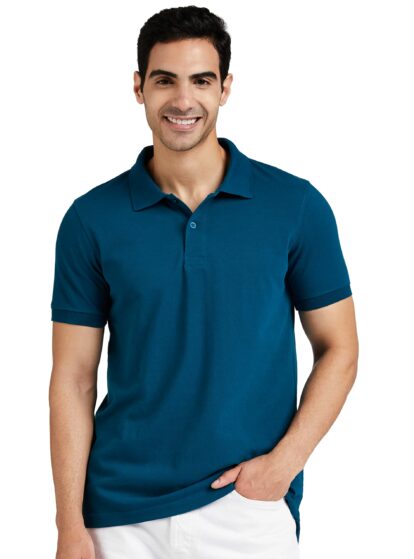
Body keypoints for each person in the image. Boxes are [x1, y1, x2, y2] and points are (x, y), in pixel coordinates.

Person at [49, 6, 359, 559]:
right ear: (139, 87)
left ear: (225, 88)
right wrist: (68, 524)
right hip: (118, 516)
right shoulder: (90, 219)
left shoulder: (295, 206)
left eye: (201, 80)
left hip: (246, 507)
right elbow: (73, 378)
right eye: (165, 80)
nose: (183, 99)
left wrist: (283, 466)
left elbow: (340, 348)